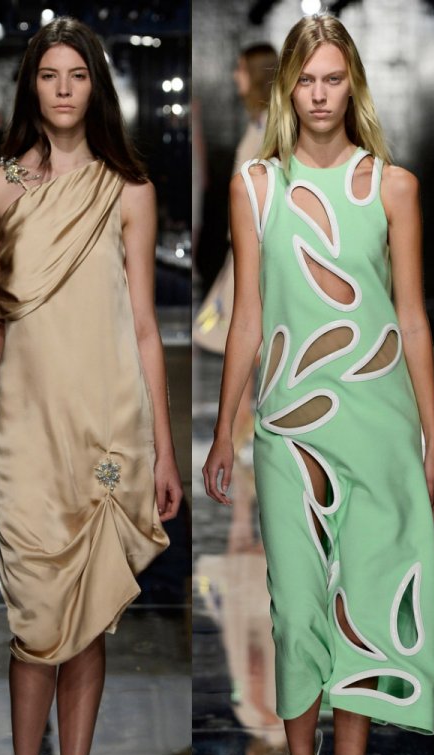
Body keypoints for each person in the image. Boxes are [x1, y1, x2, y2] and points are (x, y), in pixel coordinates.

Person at [203, 13, 434, 755]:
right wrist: (224, 426)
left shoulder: (393, 187)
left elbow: (412, 318)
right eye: (305, 80)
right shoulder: (256, 187)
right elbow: (247, 317)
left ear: (354, 87)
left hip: (378, 429)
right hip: (289, 429)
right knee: (298, 614)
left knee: (365, 617)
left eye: (333, 79)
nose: (318, 95)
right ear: (287, 89)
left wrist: (432, 443)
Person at [0, 15, 182, 755]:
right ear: (32, 85)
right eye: (49, 74)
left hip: (108, 433)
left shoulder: (128, 188)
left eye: (78, 75)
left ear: (98, 86)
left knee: (88, 626)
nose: (62, 89)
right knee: (34, 630)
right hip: (25, 433)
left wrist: (164, 450)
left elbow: (146, 327)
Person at [193, 43, 277, 450]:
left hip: (258, 248)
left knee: (240, 332)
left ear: (255, 74)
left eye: (241, 69)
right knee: (224, 327)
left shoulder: (272, 125)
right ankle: (244, 418)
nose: (234, 75)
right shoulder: (258, 122)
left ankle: (249, 419)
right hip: (242, 247)